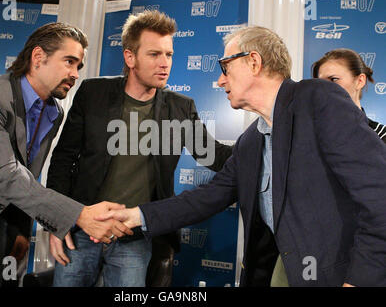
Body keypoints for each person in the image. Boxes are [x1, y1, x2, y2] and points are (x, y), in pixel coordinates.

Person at [96, 26, 386, 287]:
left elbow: (379, 195)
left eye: (225, 67)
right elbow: (206, 197)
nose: (220, 81)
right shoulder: (250, 142)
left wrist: (359, 281)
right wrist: (134, 215)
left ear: (254, 62)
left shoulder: (318, 98)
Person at [0, 22, 132, 287]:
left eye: (79, 66)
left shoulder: (54, 111)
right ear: (38, 57)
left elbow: (28, 175)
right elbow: (5, 175)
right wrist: (80, 215)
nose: (75, 74)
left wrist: (19, 232)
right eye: (69, 62)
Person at [46, 10, 232, 287]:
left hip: (135, 238)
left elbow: (213, 155)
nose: (164, 63)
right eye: (154, 54)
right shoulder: (92, 93)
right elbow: (63, 159)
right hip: (82, 230)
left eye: (169, 54)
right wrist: (56, 223)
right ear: (130, 57)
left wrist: (264, 145)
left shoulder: (180, 108)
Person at [312, 48, 386, 143]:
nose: (324, 88)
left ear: (360, 81)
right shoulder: (309, 134)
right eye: (320, 82)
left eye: (334, 79)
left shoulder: (381, 136)